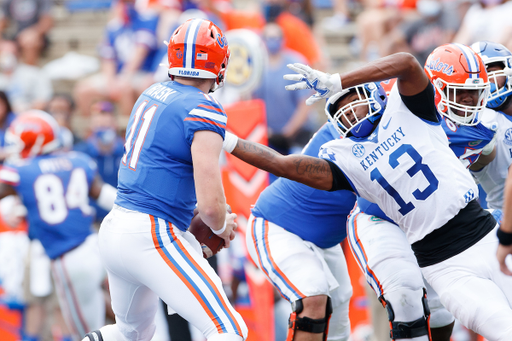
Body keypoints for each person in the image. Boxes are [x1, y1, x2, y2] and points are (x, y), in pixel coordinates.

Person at [221, 46, 512, 340]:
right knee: (349, 296)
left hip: (370, 231)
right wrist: (226, 138)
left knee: (345, 323)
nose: (353, 115)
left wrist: (338, 80)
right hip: (355, 220)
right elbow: (281, 164)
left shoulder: (442, 116)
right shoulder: (343, 151)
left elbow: (484, 159)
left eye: (472, 91)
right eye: (342, 111)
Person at [82, 18, 248, 341]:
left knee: (130, 333)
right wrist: (220, 225)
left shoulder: (149, 94)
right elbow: (212, 207)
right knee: (228, 328)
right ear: (219, 65)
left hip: (116, 225)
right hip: (152, 233)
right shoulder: (205, 109)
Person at [345, 44, 499, 341]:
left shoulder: (480, 131)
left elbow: (487, 153)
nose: (469, 100)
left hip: (430, 226)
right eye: (460, 92)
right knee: (404, 297)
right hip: (382, 219)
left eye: (475, 92)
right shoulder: (402, 110)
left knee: (442, 309)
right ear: (438, 90)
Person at [248, 84, 377, 338]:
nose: (350, 114)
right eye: (341, 107)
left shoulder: (383, 132)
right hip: (277, 227)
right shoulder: (339, 143)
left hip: (323, 241)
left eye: (355, 102)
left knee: (340, 310)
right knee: (313, 295)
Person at [0, 110, 117, 340]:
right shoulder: (78, 160)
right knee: (107, 316)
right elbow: (106, 196)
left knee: (86, 332)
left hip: (68, 257)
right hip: (94, 245)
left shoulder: (21, 171)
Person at [470, 41, 512, 210]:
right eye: (479, 76)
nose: (486, 81)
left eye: (490, 71)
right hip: (505, 216)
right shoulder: (484, 120)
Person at [74, 101, 124, 223]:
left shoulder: (128, 151)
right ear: (91, 125)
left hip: (121, 219)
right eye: (99, 124)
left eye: (107, 124)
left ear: (115, 124)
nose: (103, 127)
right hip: (92, 221)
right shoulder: (80, 154)